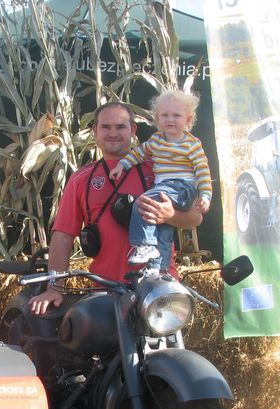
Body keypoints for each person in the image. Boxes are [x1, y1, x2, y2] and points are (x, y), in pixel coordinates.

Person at [29, 101, 203, 315]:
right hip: (106, 291)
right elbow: (63, 236)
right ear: (95, 131)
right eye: (106, 127)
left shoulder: (159, 170)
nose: (113, 133)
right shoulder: (82, 179)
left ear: (133, 130)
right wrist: (53, 287)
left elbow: (195, 218)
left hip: (159, 288)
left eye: (120, 127)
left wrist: (171, 215)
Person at [109, 89, 212, 273]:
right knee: (163, 228)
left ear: (188, 120)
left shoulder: (192, 144)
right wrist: (122, 165)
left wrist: (205, 194)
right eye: (164, 115)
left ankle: (144, 244)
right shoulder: (156, 140)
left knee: (143, 203)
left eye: (176, 115)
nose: (170, 119)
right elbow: (139, 153)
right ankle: (157, 268)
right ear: (157, 119)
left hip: (183, 188)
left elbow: (203, 171)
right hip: (164, 188)